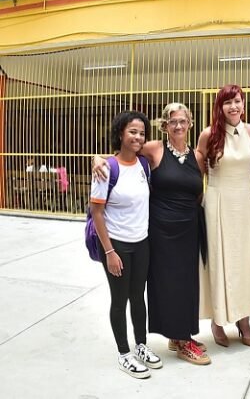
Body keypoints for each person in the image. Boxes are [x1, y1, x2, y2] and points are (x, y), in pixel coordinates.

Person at [92, 103, 209, 365]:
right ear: (164, 125)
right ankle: (180, 339)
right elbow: (124, 154)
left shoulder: (199, 156)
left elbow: (198, 191)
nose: (178, 126)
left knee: (188, 283)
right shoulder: (154, 148)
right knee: (166, 283)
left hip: (189, 227)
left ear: (190, 123)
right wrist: (97, 159)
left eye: (183, 121)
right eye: (172, 121)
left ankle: (179, 333)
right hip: (161, 229)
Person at [90, 110, 162, 379]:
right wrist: (109, 252)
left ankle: (141, 345)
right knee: (119, 300)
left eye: (142, 133)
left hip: (141, 242)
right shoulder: (107, 168)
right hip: (117, 245)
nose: (138, 137)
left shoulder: (144, 165)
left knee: (138, 297)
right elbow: (97, 212)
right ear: (121, 133)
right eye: (133, 131)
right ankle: (124, 354)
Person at [197, 85, 250, 349]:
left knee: (246, 261)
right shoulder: (208, 135)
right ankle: (218, 321)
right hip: (218, 202)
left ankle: (244, 321)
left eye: (237, 101)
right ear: (220, 107)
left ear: (243, 103)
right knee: (220, 260)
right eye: (227, 102)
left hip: (245, 201)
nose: (233, 106)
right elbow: (198, 172)